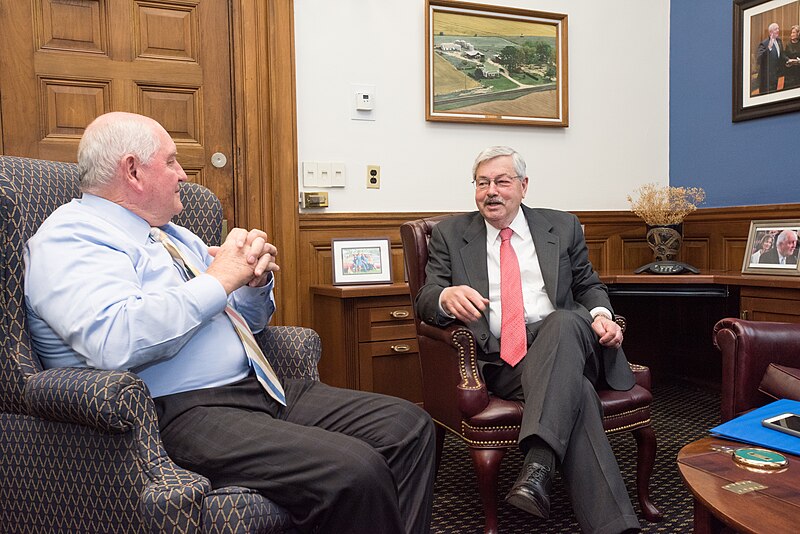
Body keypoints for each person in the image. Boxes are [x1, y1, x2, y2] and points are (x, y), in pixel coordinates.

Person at [24, 112, 436, 534]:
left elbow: (250, 323)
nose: (183, 174)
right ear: (132, 170)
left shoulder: (172, 235)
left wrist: (254, 283)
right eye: (171, 162)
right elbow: (115, 341)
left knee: (408, 426)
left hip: (256, 388)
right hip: (175, 409)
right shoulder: (72, 238)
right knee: (353, 471)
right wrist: (220, 279)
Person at [414, 146, 640, 534]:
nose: (491, 191)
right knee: (579, 394)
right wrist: (444, 297)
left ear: (523, 186)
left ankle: (537, 465)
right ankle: (611, 525)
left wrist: (602, 317)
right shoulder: (451, 235)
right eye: (482, 183)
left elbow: (588, 286)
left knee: (566, 322)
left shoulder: (562, 226)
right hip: (503, 360)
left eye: (502, 181)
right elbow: (425, 296)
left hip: (564, 341)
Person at [757, 22, 784, 94]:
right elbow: (759, 59)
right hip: (766, 78)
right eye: (776, 29)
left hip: (775, 75)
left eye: (778, 28)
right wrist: (769, 48)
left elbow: (781, 55)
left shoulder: (779, 41)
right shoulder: (764, 43)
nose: (778, 30)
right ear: (770, 32)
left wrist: (789, 60)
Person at [784, 25, 800, 90]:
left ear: (798, 34)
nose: (792, 34)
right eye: (791, 33)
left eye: (793, 32)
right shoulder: (788, 44)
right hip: (790, 72)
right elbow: (785, 56)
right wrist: (788, 60)